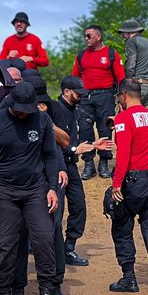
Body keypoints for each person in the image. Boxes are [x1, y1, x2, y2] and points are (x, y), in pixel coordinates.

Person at [0, 82, 65, 295]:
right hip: (5, 192)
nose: (25, 113)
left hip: (36, 191)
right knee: (6, 246)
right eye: (20, 109)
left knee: (45, 240)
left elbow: (50, 155)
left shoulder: (43, 121)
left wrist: (52, 189)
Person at [107, 78, 148, 295]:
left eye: (119, 97)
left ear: (124, 95)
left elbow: (123, 153)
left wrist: (117, 183)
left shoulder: (124, 118)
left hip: (134, 180)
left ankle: (129, 278)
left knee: (121, 224)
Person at [49, 75, 93, 266]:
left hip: (71, 165)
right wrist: (73, 149)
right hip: (57, 166)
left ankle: (69, 248)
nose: (81, 97)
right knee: (56, 212)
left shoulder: (75, 109)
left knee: (79, 206)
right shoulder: (55, 109)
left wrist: (92, 147)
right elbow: (53, 142)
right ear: (66, 91)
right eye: (78, 93)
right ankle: (53, 251)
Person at [73, 24, 125, 180]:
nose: (86, 39)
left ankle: (104, 162)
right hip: (86, 98)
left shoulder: (111, 54)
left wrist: (122, 100)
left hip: (105, 96)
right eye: (85, 36)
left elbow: (121, 78)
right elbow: (75, 78)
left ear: (98, 37)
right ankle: (89, 164)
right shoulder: (81, 56)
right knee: (84, 129)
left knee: (105, 129)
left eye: (89, 36)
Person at [117, 19, 148, 117]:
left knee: (131, 120)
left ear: (129, 33)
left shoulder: (132, 42)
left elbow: (130, 65)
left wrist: (126, 86)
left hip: (138, 88)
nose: (122, 37)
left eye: (123, 33)